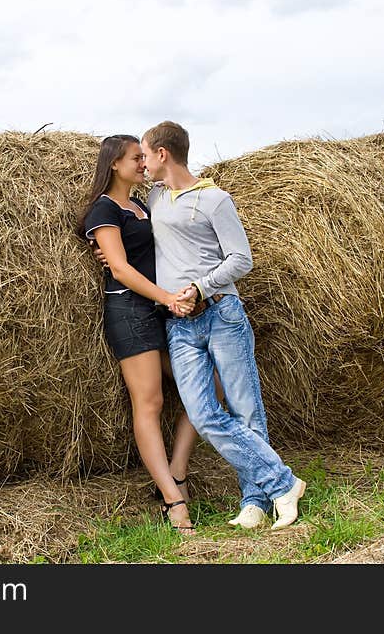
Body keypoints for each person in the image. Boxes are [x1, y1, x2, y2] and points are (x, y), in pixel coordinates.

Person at [138, 120, 307, 530]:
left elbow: (240, 259)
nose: (142, 163)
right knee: (202, 411)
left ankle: (255, 501)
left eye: (145, 154)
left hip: (221, 313)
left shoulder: (215, 200)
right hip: (179, 325)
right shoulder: (155, 197)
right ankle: (283, 482)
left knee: (246, 408)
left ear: (164, 154)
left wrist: (199, 285)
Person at [75, 134, 202, 534]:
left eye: (143, 158)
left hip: (159, 310)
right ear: (114, 163)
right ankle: (172, 499)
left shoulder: (142, 206)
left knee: (206, 386)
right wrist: (167, 298)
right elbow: (120, 269)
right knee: (150, 401)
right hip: (130, 312)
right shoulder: (104, 210)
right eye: (136, 158)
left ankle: (178, 470)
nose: (142, 164)